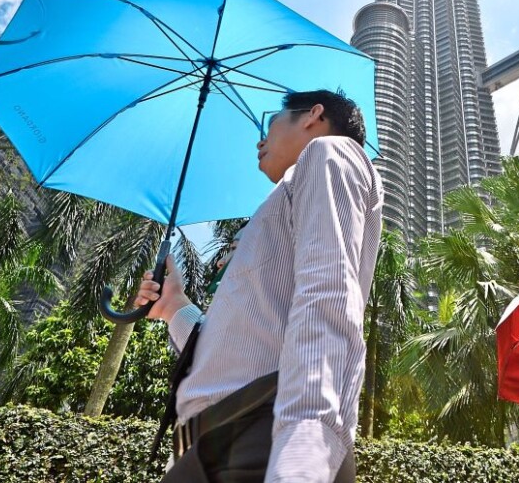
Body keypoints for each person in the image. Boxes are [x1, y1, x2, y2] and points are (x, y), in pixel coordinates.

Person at [135, 90, 383, 483]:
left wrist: (304, 454)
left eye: (271, 121)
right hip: (216, 444)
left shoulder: (329, 152)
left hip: (264, 435)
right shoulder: (278, 204)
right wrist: (174, 306)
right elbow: (242, 343)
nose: (260, 140)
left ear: (313, 115)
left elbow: (329, 295)